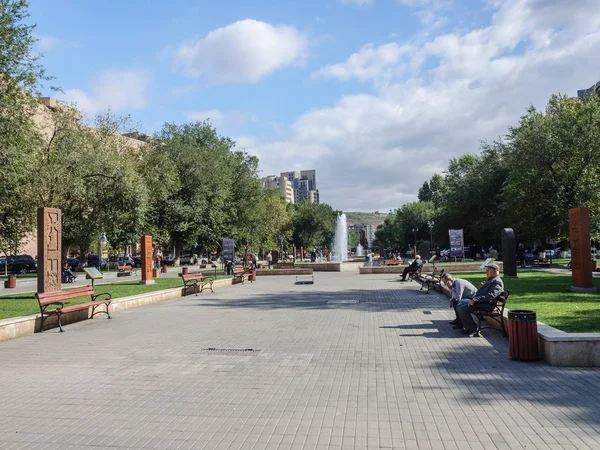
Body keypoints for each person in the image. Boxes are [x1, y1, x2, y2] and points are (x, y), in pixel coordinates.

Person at [456, 263, 504, 336]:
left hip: (487, 305)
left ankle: (472, 329)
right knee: (459, 306)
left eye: (488, 270)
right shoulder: (492, 280)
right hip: (482, 303)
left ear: (495, 271)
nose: (486, 272)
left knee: (463, 309)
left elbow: (491, 295)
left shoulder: (497, 281)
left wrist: (475, 300)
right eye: (486, 270)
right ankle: (467, 327)